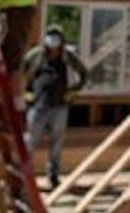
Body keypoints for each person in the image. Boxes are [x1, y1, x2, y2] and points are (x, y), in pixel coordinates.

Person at [22, 24, 88, 188]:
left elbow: (84, 73)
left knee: (56, 143)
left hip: (60, 107)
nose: (53, 41)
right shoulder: (36, 55)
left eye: (56, 36)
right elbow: (19, 71)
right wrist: (25, 93)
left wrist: (73, 92)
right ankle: (24, 177)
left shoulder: (68, 56)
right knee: (30, 142)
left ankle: (53, 176)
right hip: (38, 106)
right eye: (50, 35)